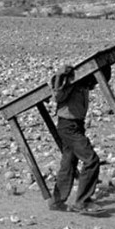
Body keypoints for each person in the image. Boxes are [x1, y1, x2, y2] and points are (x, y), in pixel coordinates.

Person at [48, 64, 105, 213]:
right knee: (91, 160)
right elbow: (57, 96)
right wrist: (60, 75)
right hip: (69, 127)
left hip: (75, 125)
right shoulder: (70, 81)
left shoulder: (83, 84)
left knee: (68, 163)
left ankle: (57, 201)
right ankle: (82, 202)